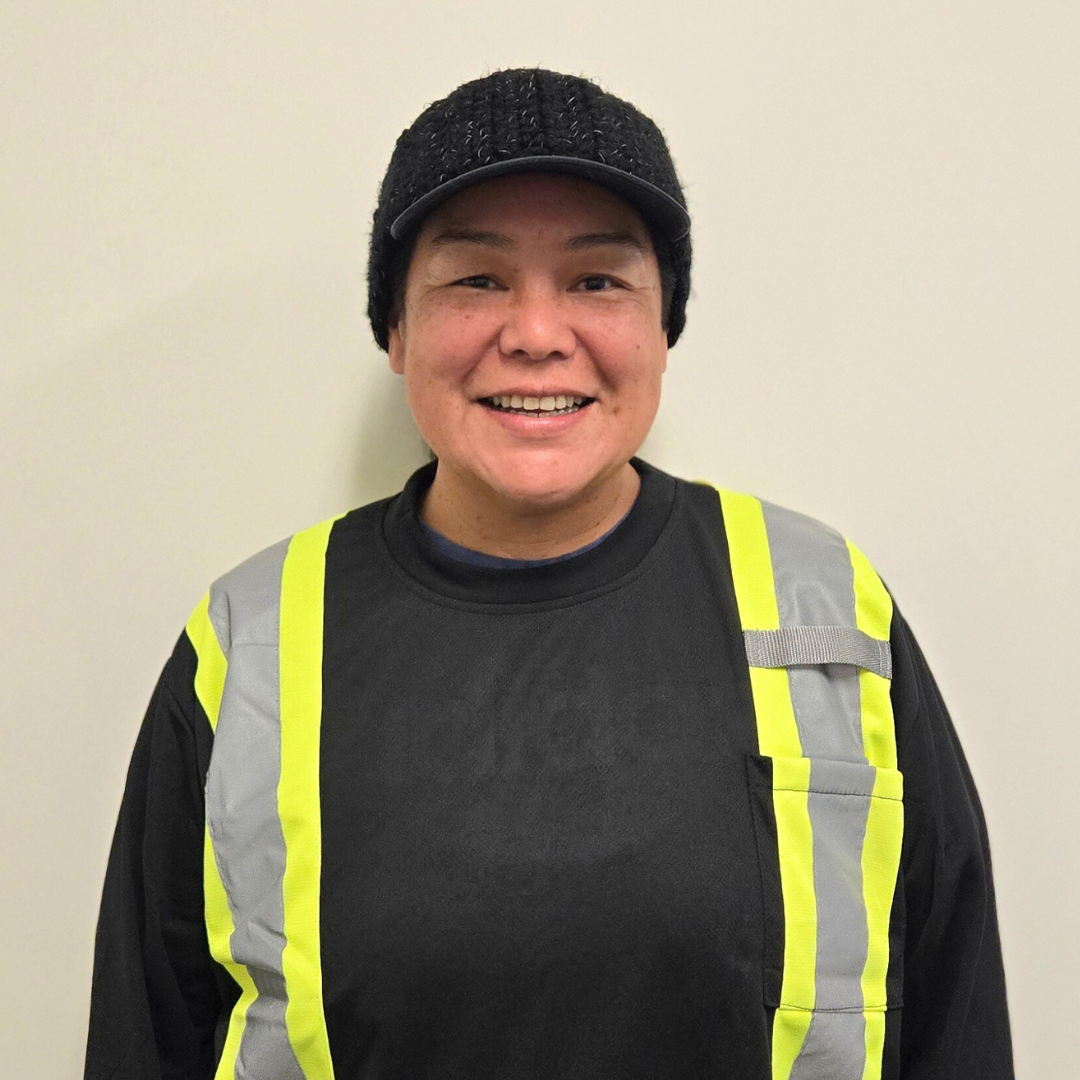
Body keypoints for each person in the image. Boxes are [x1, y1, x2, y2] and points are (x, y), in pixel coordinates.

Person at [84, 68, 1014, 1080]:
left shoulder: (829, 610)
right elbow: (147, 1033)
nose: (535, 334)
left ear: (665, 328)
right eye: (476, 280)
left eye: (597, 280)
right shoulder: (250, 642)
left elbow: (953, 1017)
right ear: (395, 330)